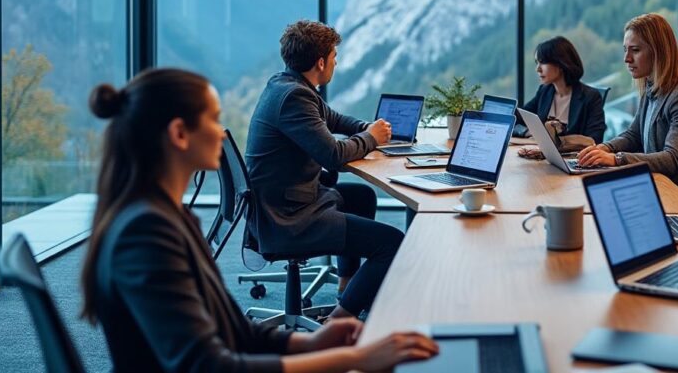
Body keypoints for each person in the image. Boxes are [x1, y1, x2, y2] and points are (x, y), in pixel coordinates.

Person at [81, 68, 438, 372]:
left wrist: (314, 343)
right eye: (213, 118)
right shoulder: (145, 234)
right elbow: (212, 366)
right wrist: (351, 357)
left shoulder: (171, 218)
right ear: (179, 134)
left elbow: (236, 332)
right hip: (287, 221)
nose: (222, 132)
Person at [246, 20, 401, 320]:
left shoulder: (288, 84)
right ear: (321, 62)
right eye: (334, 57)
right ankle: (339, 320)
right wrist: (371, 139)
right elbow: (334, 156)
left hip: (285, 201)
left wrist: (365, 129)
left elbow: (333, 119)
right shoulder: (294, 97)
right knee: (391, 243)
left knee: (361, 197)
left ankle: (347, 288)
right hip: (287, 218)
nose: (336, 62)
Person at [578, 13, 678, 195]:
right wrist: (605, 148)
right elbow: (633, 135)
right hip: (660, 186)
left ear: (658, 52)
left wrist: (616, 159)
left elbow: (674, 159)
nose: (627, 59)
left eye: (635, 50)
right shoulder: (651, 87)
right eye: (625, 50)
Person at [514, 36, 607, 145]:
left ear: (561, 63)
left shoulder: (591, 97)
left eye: (543, 62)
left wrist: (553, 139)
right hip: (543, 156)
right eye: (537, 63)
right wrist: (526, 132)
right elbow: (516, 119)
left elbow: (595, 139)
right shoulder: (545, 91)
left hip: (573, 159)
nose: (538, 69)